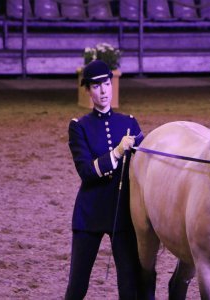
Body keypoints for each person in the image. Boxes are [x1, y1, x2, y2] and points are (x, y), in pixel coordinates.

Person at [65, 60, 144, 300]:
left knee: (129, 284)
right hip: (90, 213)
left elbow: (143, 167)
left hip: (122, 213)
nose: (103, 91)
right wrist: (118, 152)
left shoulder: (128, 122)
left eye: (107, 84)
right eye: (97, 87)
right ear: (88, 91)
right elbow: (87, 172)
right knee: (78, 285)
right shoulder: (79, 127)